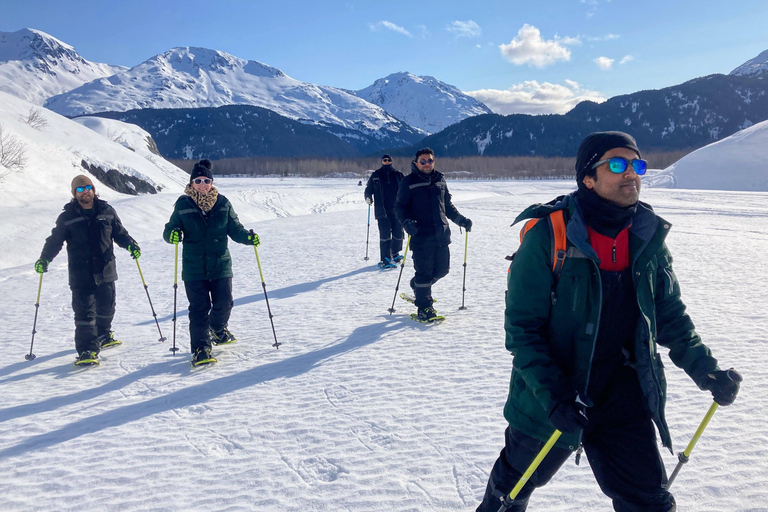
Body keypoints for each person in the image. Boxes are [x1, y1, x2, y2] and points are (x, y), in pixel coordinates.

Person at [476, 132, 742, 512]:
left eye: (637, 165)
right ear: (588, 177)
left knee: (648, 501)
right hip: (554, 392)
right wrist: (554, 396)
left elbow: (668, 315)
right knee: (510, 491)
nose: (631, 173)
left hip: (621, 390)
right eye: (617, 165)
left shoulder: (647, 236)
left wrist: (706, 369)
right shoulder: (549, 235)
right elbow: (523, 330)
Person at [163, 159, 261, 366]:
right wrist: (172, 235)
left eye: (206, 181)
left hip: (220, 265)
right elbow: (170, 228)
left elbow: (235, 229)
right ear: (191, 183)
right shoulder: (183, 204)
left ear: (212, 182)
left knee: (225, 303)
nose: (203, 184)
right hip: (194, 268)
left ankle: (217, 328)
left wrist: (248, 237)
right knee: (199, 309)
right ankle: (201, 349)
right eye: (198, 181)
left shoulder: (223, 203)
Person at [36, 175, 140, 365]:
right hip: (81, 273)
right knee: (84, 314)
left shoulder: (107, 211)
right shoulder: (67, 217)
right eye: (80, 189)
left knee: (107, 308)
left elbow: (119, 233)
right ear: (74, 193)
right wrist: (44, 259)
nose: (85, 192)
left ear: (93, 189)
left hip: (105, 269)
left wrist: (131, 245)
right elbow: (54, 241)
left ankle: (103, 334)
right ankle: (87, 350)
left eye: (88, 188)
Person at [393, 148, 472, 321]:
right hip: (421, 235)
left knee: (443, 270)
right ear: (416, 163)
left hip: (441, 234)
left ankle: (417, 286)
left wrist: (461, 220)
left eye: (430, 160)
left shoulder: (440, 179)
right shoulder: (408, 182)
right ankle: (425, 307)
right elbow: (399, 207)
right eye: (423, 161)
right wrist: (406, 222)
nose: (427, 164)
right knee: (424, 272)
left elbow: (447, 206)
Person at [364, 154, 405, 269]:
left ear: (392, 161)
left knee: (398, 234)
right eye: (384, 160)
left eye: (389, 160)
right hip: (382, 211)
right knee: (385, 235)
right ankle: (386, 259)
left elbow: (406, 189)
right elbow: (368, 189)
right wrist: (368, 197)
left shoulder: (398, 175)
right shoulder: (376, 175)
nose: (387, 161)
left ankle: (395, 253)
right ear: (382, 161)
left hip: (398, 210)